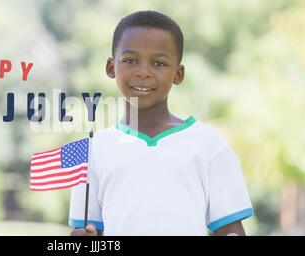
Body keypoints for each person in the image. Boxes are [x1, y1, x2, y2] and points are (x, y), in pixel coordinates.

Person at [69, 10, 253, 236]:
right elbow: (86, 232)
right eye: (130, 60)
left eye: (158, 63)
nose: (143, 72)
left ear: (178, 73)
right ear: (111, 67)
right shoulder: (92, 150)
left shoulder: (209, 144)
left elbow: (230, 230)